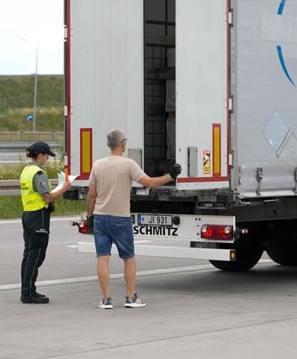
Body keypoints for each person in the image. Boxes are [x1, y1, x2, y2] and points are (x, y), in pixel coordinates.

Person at [86, 129, 181, 309]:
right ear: (122, 143)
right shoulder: (128, 164)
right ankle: (130, 298)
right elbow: (150, 183)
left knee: (102, 258)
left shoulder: (97, 165)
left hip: (100, 217)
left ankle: (106, 300)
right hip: (120, 218)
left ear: (108, 144)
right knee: (128, 258)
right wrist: (171, 176)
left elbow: (91, 194)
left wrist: (90, 216)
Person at [19, 141, 70, 304]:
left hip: (28, 215)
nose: (47, 159)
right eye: (47, 156)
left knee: (28, 254)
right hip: (38, 217)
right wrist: (64, 188)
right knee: (36, 256)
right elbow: (47, 197)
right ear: (40, 155)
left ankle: (28, 290)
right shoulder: (38, 173)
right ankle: (28, 293)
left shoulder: (26, 171)